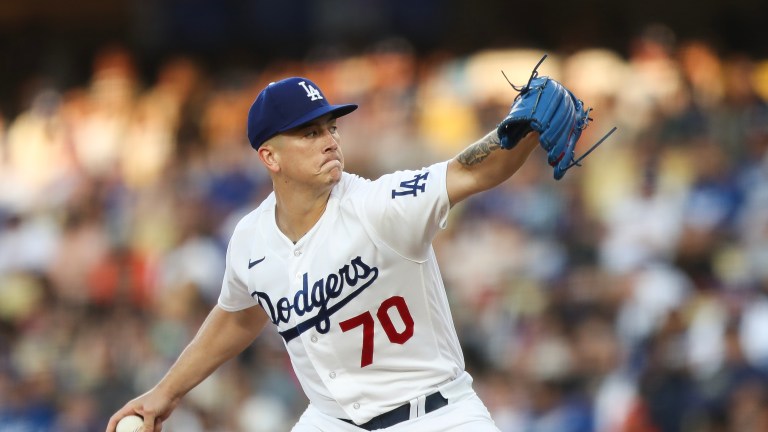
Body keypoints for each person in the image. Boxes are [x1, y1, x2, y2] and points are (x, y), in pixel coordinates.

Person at [107, 76, 541, 432]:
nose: (330, 140)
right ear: (269, 156)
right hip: (332, 422)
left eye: (331, 127)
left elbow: (473, 169)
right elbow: (239, 314)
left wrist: (527, 125)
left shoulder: (379, 205)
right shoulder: (251, 238)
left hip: (436, 415)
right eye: (310, 132)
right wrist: (164, 393)